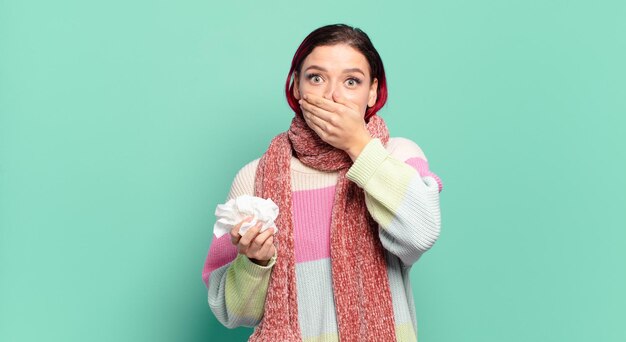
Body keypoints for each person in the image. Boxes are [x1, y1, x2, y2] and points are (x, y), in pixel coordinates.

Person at [201, 23, 443, 341]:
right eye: (316, 77)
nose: (333, 95)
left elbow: (421, 235)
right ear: (297, 88)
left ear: (372, 91)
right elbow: (232, 313)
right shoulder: (255, 177)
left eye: (351, 81)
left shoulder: (395, 156)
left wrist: (358, 145)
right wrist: (255, 262)